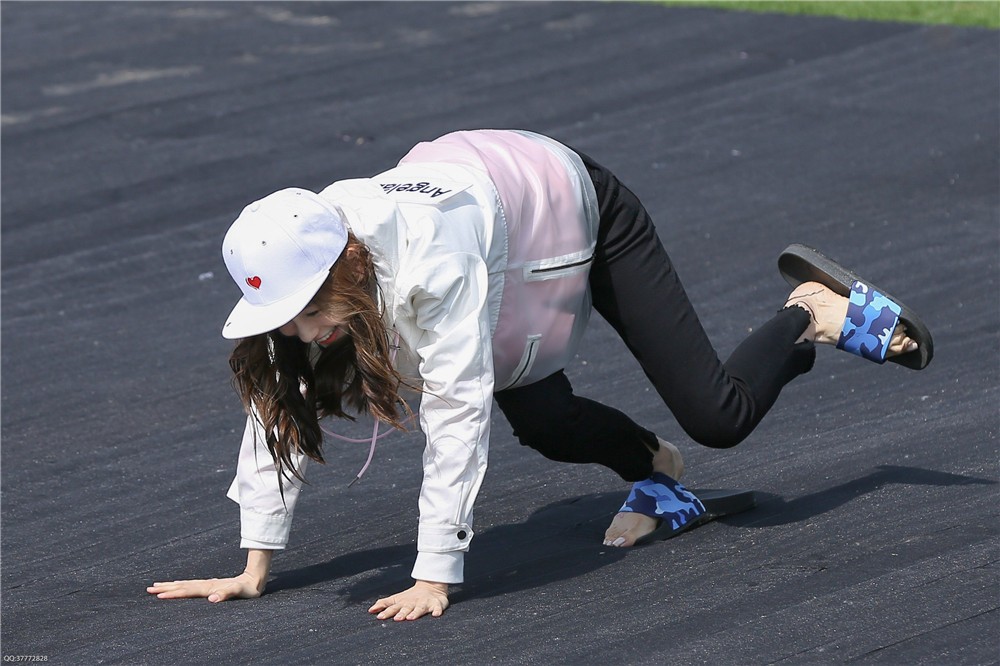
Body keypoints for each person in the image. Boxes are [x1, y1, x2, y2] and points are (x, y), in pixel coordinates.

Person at [147, 129, 931, 620]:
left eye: (305, 311)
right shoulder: (310, 250)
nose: (295, 330)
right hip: (505, 245)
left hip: (576, 213)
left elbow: (457, 415)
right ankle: (657, 474)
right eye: (281, 315)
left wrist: (435, 576)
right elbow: (276, 405)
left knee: (717, 416)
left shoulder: (432, 259)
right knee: (548, 425)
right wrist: (254, 565)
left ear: (345, 267)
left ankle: (811, 311)